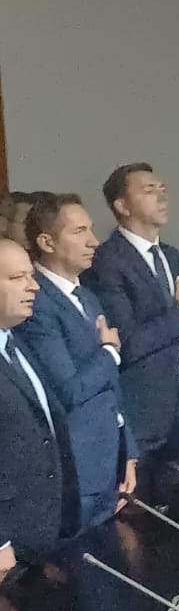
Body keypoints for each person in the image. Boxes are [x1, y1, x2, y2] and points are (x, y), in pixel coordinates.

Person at [83, 163, 179, 505]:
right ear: (122, 206)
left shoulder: (171, 256)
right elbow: (128, 343)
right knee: (143, 518)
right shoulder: (107, 261)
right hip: (142, 413)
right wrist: (178, 313)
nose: (161, 196)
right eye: (149, 190)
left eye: (162, 189)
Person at [15, 193, 137, 530]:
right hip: (77, 468)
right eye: (79, 231)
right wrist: (109, 352)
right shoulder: (37, 303)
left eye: (91, 230)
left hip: (109, 459)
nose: (93, 241)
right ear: (47, 242)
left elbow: (111, 387)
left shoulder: (87, 296)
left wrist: (128, 449)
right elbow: (68, 390)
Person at [0, 238, 77, 578]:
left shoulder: (15, 342)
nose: (33, 286)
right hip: (8, 551)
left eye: (31, 275)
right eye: (17, 278)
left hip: (41, 539)